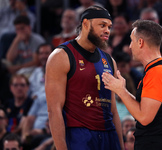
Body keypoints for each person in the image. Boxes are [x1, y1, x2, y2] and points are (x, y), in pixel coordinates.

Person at [45, 5, 124, 150]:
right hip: (79, 136)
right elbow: (54, 110)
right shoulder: (60, 56)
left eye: (109, 26)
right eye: (102, 25)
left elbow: (113, 110)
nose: (107, 30)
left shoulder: (109, 60)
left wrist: (121, 146)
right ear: (86, 24)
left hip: (108, 134)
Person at [102, 19, 162, 150]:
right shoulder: (156, 70)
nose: (130, 46)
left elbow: (144, 117)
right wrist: (123, 90)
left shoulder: (158, 72)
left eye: (132, 40)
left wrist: (121, 91)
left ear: (140, 42)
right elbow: (142, 110)